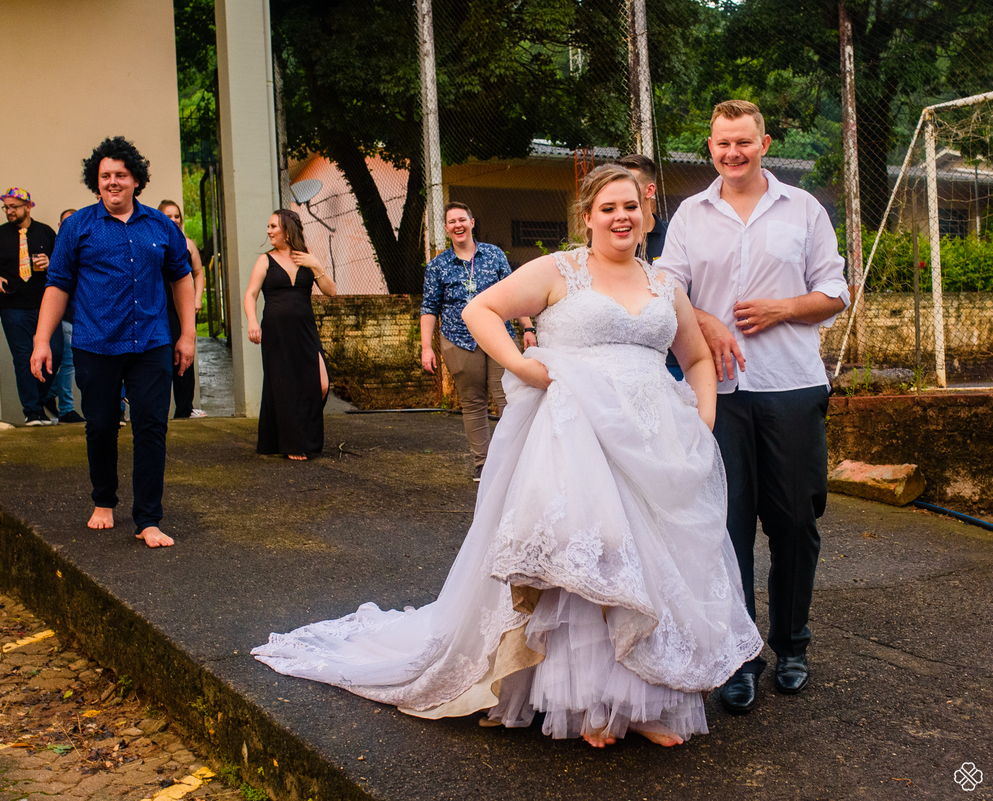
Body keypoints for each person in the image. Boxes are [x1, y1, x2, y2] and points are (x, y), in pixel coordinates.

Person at [254, 165, 762, 747]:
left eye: (631, 207)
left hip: (654, 441)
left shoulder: (665, 285)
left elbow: (697, 360)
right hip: (575, 435)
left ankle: (641, 703)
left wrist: (702, 419)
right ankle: (591, 704)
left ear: (647, 214)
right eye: (608, 208)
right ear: (588, 216)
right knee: (586, 557)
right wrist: (523, 367)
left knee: (649, 563)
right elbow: (479, 312)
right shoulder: (559, 270)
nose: (621, 217)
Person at [655, 99, 849, 714]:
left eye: (744, 142)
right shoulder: (690, 213)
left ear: (764, 142)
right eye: (721, 144)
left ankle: (792, 645)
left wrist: (781, 308)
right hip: (718, 394)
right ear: (709, 148)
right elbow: (666, 285)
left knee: (795, 522)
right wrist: (707, 319)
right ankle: (738, 658)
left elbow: (834, 290)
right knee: (727, 527)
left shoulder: (804, 209)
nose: (732, 153)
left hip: (790, 385)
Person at [30, 136, 197, 548]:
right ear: (96, 181)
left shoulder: (160, 227)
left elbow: (181, 278)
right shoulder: (77, 227)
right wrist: (41, 341)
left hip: (152, 343)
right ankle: (104, 501)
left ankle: (148, 519)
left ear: (136, 180)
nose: (112, 182)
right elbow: (57, 285)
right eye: (105, 176)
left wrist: (187, 335)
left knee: (151, 428)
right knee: (101, 426)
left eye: (120, 175)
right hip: (96, 344)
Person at [420, 202, 536, 481]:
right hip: (459, 340)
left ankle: (516, 461)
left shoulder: (494, 255)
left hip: (500, 337)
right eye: (452, 222)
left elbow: (514, 295)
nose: (458, 225)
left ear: (472, 222)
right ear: (447, 228)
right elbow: (429, 307)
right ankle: (483, 465)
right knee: (473, 403)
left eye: (462, 219)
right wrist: (426, 347)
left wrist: (528, 327)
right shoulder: (437, 266)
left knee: (510, 398)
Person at [243, 209, 337, 460]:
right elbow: (251, 294)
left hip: (305, 331)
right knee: (284, 386)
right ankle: (294, 443)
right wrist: (253, 321)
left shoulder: (306, 259)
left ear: (288, 230)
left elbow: (331, 291)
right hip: (276, 332)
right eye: (269, 226)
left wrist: (316, 265)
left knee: (321, 383)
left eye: (273, 226)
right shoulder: (265, 260)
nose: (269, 231)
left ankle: (303, 435)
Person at [0, 187, 63, 425]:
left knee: (55, 351)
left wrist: (50, 263)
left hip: (45, 305)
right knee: (23, 357)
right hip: (12, 306)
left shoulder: (45, 232)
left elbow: (62, 265)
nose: (9, 211)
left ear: (29, 206)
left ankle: (42, 399)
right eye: (6, 207)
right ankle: (32, 411)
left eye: (14, 207)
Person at [617, 154, 681, 381]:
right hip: (622, 355)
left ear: (649, 190)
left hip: (671, 359)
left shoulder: (675, 237)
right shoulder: (607, 240)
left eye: (630, 183)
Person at [158, 199, 207, 419]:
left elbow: (198, 272)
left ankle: (184, 409)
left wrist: (197, 298)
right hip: (160, 308)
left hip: (182, 308)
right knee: (161, 358)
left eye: (177, 215)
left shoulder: (188, 245)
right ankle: (158, 410)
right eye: (169, 216)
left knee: (184, 357)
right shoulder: (154, 242)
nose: (174, 219)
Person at [43, 208, 84, 424]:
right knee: (68, 362)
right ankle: (66, 408)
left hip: (84, 316)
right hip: (64, 316)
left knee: (74, 362)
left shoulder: (85, 244)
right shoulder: (56, 247)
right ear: (60, 226)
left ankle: (50, 394)